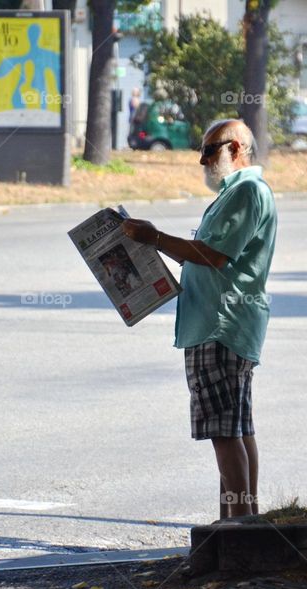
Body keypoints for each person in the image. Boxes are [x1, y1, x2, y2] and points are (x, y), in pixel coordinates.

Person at [120, 120, 277, 522]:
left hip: (219, 325)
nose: (202, 158)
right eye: (202, 149)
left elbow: (214, 255)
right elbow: (204, 254)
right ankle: (243, 520)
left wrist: (155, 239)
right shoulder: (236, 193)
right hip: (224, 323)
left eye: (211, 150)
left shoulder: (246, 191)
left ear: (238, 148)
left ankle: (238, 526)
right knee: (237, 427)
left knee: (225, 431)